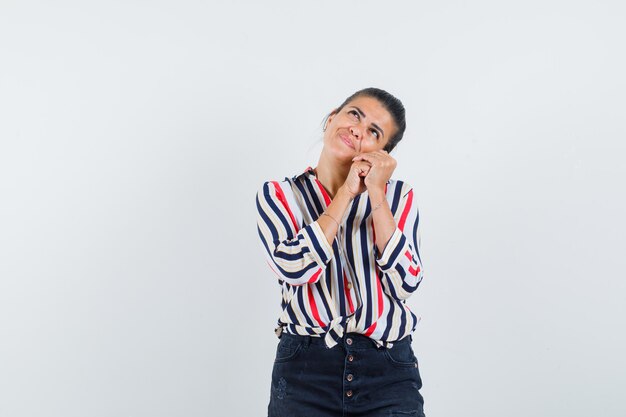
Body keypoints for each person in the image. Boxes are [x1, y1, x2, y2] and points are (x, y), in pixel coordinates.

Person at [256, 87, 426, 417]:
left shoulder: (398, 198)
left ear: (382, 154)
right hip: (305, 370)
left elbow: (405, 283)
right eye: (354, 115)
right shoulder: (280, 195)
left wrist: (375, 191)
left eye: (373, 132)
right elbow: (296, 267)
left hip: (387, 370)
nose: (357, 129)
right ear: (332, 117)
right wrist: (346, 193)